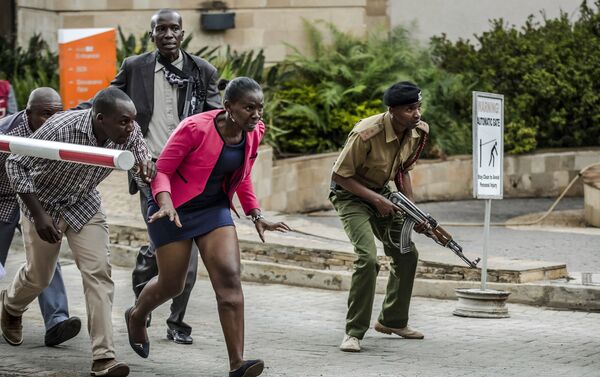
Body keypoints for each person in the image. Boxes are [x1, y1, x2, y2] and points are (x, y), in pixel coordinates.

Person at [125, 77, 290, 377]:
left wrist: (255, 213)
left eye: (260, 108)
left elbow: (244, 174)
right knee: (172, 284)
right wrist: (165, 203)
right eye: (249, 107)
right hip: (173, 209)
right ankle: (137, 315)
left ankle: (237, 364)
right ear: (228, 107)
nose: (257, 114)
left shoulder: (254, 132)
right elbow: (162, 169)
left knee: (229, 278)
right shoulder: (194, 128)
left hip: (214, 210)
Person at [0, 87, 155, 377]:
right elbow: (16, 164)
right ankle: (10, 305)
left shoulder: (127, 130)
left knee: (99, 274)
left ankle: (103, 358)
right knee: (39, 276)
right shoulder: (61, 127)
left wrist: (149, 172)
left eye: (132, 121)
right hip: (42, 205)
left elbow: (143, 166)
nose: (131, 127)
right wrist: (38, 215)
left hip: (84, 204)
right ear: (100, 118)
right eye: (124, 121)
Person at [110, 8, 221, 344]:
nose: (168, 34)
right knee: (173, 239)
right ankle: (142, 304)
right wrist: (68, 118)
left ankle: (177, 322)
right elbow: (108, 101)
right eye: (162, 29)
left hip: (189, 172)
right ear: (152, 34)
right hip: (150, 167)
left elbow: (215, 117)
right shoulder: (135, 66)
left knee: (178, 246)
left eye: (174, 28)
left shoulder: (203, 71)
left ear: (182, 33)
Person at [330, 81, 430, 353]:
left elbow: (404, 170)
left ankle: (393, 321)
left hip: (384, 194)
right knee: (368, 258)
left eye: (418, 107)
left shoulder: (418, 131)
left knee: (407, 253)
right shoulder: (365, 133)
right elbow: (339, 176)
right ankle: (353, 332)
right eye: (410, 109)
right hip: (350, 196)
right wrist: (376, 200)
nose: (417, 114)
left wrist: (414, 212)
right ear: (393, 110)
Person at [0, 87, 82, 347]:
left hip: (36, 199)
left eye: (57, 114)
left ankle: (57, 320)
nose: (52, 120)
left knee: (46, 254)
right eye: (45, 114)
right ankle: (9, 308)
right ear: (29, 113)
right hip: (2, 196)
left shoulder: (63, 131)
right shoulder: (6, 132)